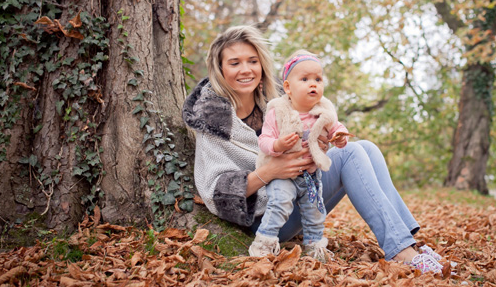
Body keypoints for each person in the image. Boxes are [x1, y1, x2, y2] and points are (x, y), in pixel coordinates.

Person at [182, 25, 446, 273]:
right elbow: (215, 192)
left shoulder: (275, 106)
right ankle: (401, 252)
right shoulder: (213, 120)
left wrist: (318, 143)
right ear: (219, 68)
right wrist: (270, 171)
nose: (246, 70)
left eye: (252, 61)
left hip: (300, 192)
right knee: (351, 154)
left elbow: (303, 141)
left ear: (262, 65)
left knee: (366, 147)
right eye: (234, 62)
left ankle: (410, 243)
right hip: (264, 217)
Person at [249, 50, 350, 262]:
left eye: (318, 79)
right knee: (280, 203)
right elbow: (264, 139)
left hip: (310, 176)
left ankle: (315, 248)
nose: (313, 84)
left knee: (314, 212)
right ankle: (263, 244)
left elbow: (336, 128)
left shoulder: (324, 109)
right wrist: (277, 144)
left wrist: (340, 137)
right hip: (282, 175)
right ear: (288, 87)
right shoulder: (278, 110)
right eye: (304, 79)